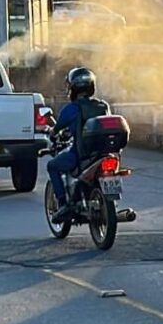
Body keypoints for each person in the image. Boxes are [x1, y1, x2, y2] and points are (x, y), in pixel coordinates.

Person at [47, 67, 110, 223]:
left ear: (72, 88)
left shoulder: (71, 109)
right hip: (103, 154)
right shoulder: (103, 106)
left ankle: (63, 205)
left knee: (52, 166)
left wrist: (51, 133)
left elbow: (56, 130)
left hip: (81, 155)